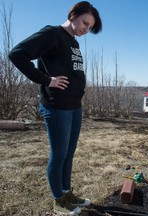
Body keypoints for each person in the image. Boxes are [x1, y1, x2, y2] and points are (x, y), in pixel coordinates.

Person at [9, 1, 102, 215]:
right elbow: (17, 54)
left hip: (74, 106)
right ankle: (58, 202)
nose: (85, 29)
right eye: (84, 23)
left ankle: (67, 193)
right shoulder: (52, 33)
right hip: (56, 106)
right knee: (59, 154)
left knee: (69, 153)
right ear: (73, 14)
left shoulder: (73, 42)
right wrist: (45, 80)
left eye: (89, 28)